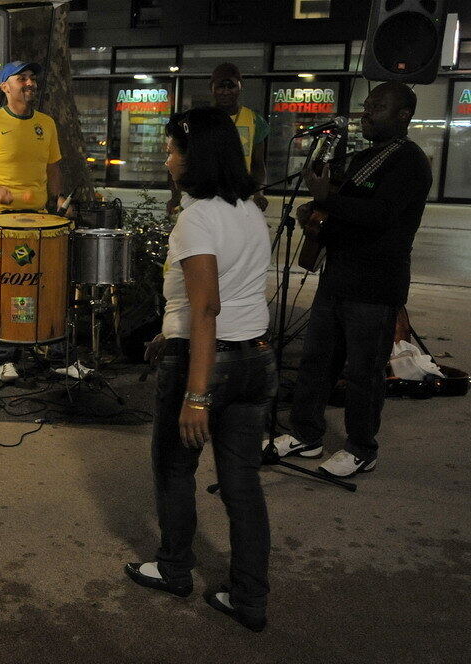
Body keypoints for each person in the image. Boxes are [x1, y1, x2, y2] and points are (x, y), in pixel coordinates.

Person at [124, 107, 276, 632]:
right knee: (242, 484)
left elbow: (208, 307)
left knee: (174, 469)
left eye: (171, 151)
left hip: (209, 363)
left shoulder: (198, 219)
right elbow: (228, 292)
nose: (166, 161)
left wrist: (196, 394)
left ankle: (173, 569)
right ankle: (250, 598)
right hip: (256, 359)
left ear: (196, 157)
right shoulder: (248, 210)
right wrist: (169, 332)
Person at [268, 82, 432, 478]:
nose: (367, 111)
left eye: (378, 106)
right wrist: (315, 209)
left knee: (363, 372)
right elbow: (342, 204)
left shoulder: (410, 161)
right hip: (338, 277)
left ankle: (361, 448)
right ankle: (306, 434)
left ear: (404, 115)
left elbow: (381, 214)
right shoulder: (364, 157)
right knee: (316, 362)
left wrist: (328, 200)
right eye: (367, 104)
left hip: (375, 285)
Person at [0, 61, 91, 383]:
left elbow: (53, 167)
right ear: (4, 87)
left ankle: (58, 356)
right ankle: (6, 358)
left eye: (32, 78)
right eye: (22, 78)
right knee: (8, 286)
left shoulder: (46, 123)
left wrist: (58, 199)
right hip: (1, 222)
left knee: (49, 285)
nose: (30, 83)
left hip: (40, 220)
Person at [168, 62, 269, 215]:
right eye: (221, 86)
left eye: (231, 86)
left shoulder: (255, 120)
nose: (226, 92)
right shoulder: (197, 119)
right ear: (212, 88)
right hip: (203, 195)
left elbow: (258, 163)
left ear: (240, 87)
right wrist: (175, 195)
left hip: (239, 197)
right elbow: (180, 157)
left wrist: (258, 193)